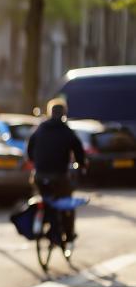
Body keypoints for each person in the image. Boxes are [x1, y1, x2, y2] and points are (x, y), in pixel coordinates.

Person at [26, 99, 86, 248]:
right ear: (64, 114)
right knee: (67, 203)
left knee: (45, 199)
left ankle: (45, 221)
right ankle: (69, 236)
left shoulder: (40, 129)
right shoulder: (67, 131)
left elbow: (29, 151)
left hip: (39, 176)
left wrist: (36, 162)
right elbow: (79, 152)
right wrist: (82, 165)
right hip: (59, 177)